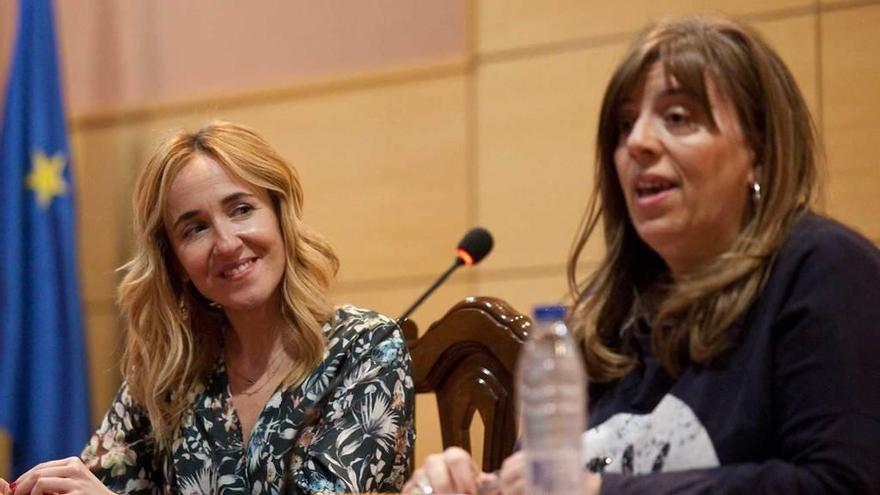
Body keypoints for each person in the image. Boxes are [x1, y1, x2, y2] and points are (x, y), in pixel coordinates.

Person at [404, 15, 880, 495]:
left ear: (758, 149)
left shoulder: (824, 270)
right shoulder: (607, 318)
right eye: (626, 124)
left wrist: (598, 492)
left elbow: (842, 484)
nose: (638, 143)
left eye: (677, 117)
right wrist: (472, 486)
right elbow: (550, 482)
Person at [1, 121, 415, 494]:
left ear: (280, 217)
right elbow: (100, 484)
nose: (227, 242)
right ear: (174, 261)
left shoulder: (366, 347)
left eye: (241, 210)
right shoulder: (168, 371)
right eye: (195, 228)